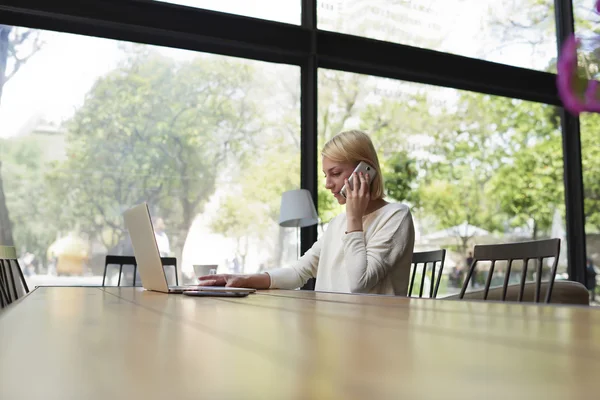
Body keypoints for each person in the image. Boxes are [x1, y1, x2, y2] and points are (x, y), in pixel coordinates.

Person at [198, 130, 415, 295]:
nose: (328, 184)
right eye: (325, 175)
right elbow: (298, 272)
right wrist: (243, 279)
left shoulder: (395, 216)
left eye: (336, 173)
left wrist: (354, 218)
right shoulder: (338, 224)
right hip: (334, 329)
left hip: (376, 336)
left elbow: (358, 285)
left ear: (365, 171)